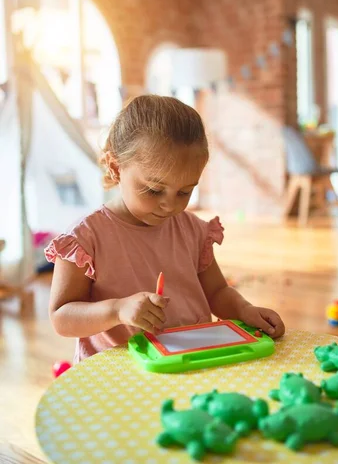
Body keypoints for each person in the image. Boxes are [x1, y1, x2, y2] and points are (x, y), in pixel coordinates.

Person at [46, 95, 285, 362]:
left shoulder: (193, 230)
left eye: (184, 191)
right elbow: (62, 317)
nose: (169, 205)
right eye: (154, 189)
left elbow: (217, 292)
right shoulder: (84, 239)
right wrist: (117, 310)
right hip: (122, 375)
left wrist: (244, 310)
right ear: (116, 167)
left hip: (193, 362)